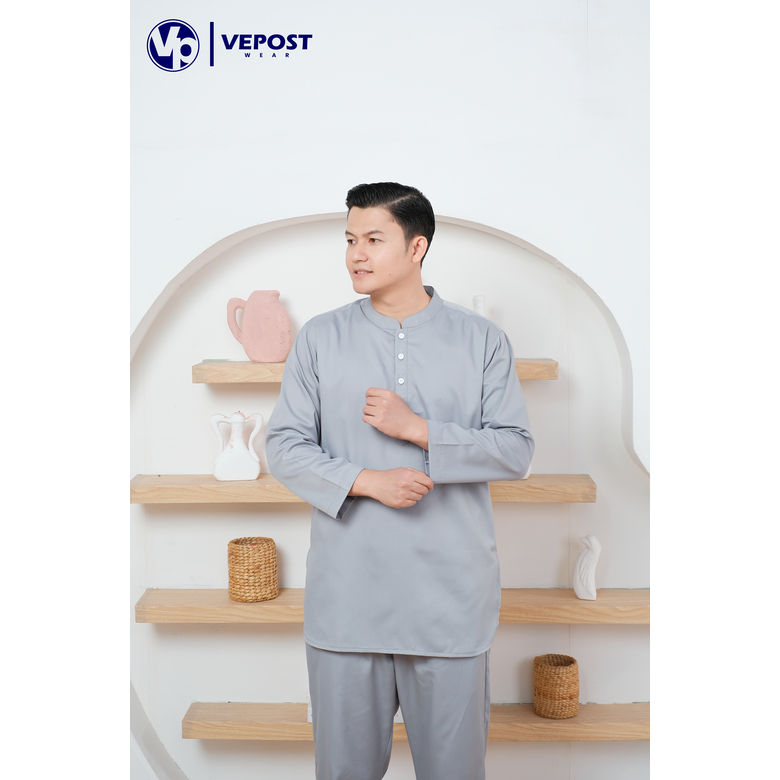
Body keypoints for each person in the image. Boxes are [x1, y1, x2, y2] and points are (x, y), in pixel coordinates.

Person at [265, 182, 534, 780]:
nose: (356, 254)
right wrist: (366, 480)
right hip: (347, 601)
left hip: (450, 602)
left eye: (373, 239)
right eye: (350, 240)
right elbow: (283, 445)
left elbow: (516, 450)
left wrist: (419, 430)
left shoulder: (481, 340)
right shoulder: (320, 338)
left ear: (417, 247)